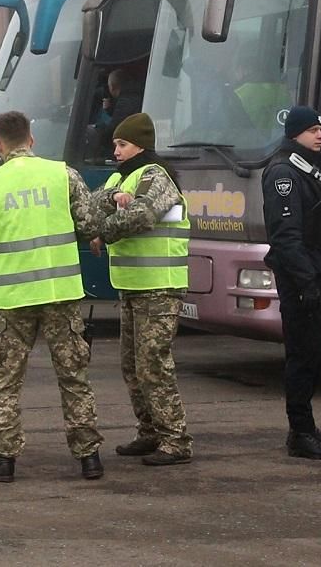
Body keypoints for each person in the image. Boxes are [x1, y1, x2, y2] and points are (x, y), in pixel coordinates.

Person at [0, 111, 105, 482]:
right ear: (32, 138)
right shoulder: (63, 174)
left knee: (7, 380)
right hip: (60, 292)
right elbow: (89, 224)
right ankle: (89, 456)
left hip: (13, 297)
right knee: (73, 375)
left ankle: (5, 461)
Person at [90, 112, 194, 466]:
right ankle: (150, 431)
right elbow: (91, 206)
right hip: (133, 286)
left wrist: (104, 232)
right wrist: (115, 196)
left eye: (122, 144)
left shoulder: (155, 175)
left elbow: (143, 215)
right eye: (115, 145)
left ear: (141, 145)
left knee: (153, 364)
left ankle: (175, 439)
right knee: (132, 366)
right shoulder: (122, 178)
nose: (116, 151)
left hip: (159, 287)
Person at [261, 106, 321, 461]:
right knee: (301, 357)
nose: (320, 135)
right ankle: (299, 432)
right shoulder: (284, 173)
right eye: (312, 130)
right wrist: (306, 283)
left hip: (316, 274)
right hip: (301, 280)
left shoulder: (313, 169)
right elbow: (286, 237)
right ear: (294, 133)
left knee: (314, 356)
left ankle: (306, 425)